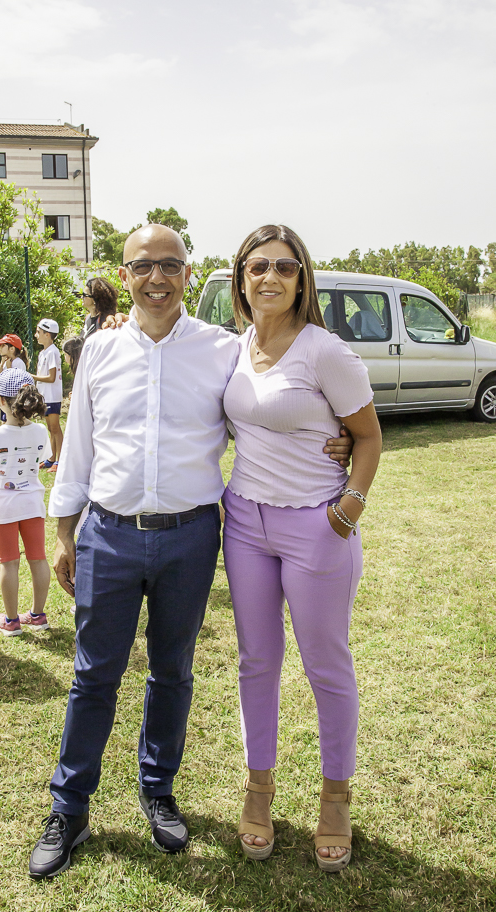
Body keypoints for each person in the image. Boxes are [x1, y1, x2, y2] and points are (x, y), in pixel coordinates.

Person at [28, 224, 352, 879]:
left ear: (188, 273)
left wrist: (337, 436)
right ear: (124, 276)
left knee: (172, 671)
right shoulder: (97, 350)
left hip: (191, 535)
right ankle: (70, 808)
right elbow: (79, 447)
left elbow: (268, 405)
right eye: (143, 266)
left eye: (170, 265)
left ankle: (158, 791)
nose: (157, 277)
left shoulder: (222, 349)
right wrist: (63, 533)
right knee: (94, 674)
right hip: (108, 534)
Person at [222, 225, 381, 871]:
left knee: (325, 665)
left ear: (301, 279)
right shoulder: (232, 348)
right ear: (240, 277)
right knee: (256, 662)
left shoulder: (324, 351)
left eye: (284, 268)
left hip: (316, 525)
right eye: (258, 266)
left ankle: (335, 798)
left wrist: (346, 510)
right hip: (243, 524)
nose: (270, 277)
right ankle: (258, 790)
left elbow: (367, 436)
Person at [0, 368, 52, 636]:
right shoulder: (40, 431)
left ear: (2, 401)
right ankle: (38, 615)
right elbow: (43, 459)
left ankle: (11, 621)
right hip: (33, 504)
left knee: (9, 562)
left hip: (3, 507)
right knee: (38, 559)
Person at [31, 319, 63, 472]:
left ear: (47, 334)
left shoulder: (52, 352)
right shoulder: (43, 353)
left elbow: (51, 377)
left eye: (38, 332)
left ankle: (60, 460)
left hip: (52, 396)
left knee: (55, 428)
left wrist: (32, 377)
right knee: (50, 428)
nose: (36, 335)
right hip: (44, 396)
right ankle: (51, 458)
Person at [0, 333, 28, 423]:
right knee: (4, 424)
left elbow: (15, 383)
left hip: (14, 402)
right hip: (5, 403)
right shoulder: (6, 361)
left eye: (3, 345)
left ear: (12, 349)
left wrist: (9, 368)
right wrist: (1, 363)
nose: (0, 348)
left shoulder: (18, 363)